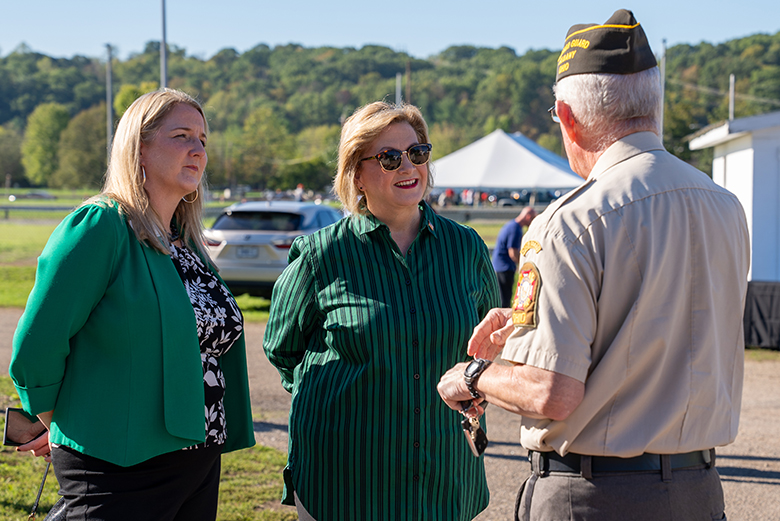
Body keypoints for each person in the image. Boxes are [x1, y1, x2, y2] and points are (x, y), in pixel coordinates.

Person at [438, 9, 750, 521]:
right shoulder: (723, 205)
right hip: (699, 488)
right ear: (654, 103)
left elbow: (551, 392)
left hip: (596, 496)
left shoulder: (568, 221)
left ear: (566, 116)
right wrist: (523, 334)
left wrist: (472, 376)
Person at [9, 89, 255, 520]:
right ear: (139, 147)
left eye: (202, 139)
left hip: (197, 458)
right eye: (182, 136)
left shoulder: (185, 241)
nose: (198, 150)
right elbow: (36, 346)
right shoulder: (102, 226)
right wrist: (61, 421)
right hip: (120, 466)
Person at [263, 101, 500, 520]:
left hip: (442, 474)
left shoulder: (466, 248)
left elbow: (488, 342)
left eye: (417, 153)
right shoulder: (322, 255)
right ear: (356, 173)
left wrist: (477, 382)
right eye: (390, 158)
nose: (408, 166)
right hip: (347, 478)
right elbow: (283, 350)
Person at [492, 206, 536, 307]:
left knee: (502, 297)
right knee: (505, 299)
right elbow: (513, 252)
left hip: (500, 265)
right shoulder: (515, 229)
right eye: (532, 219)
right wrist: (523, 266)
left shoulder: (511, 225)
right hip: (505, 267)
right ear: (528, 216)